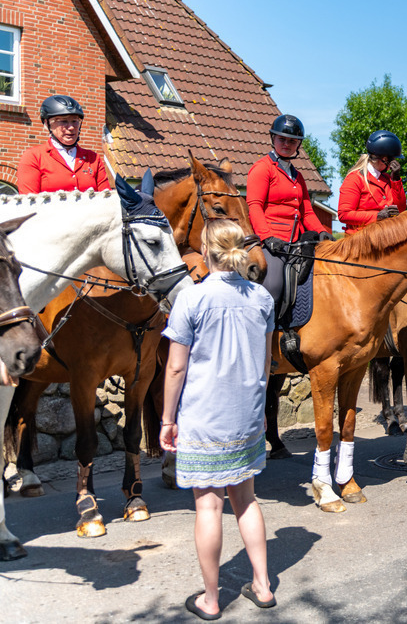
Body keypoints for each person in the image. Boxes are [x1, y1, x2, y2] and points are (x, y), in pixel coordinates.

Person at [160, 220, 277, 619]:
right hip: (245, 414)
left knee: (209, 507)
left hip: (205, 418)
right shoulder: (262, 298)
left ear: (206, 250)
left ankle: (211, 600)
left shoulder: (191, 299)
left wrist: (166, 419)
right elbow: (264, 364)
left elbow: (175, 369)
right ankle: (262, 585)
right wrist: (260, 410)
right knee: (246, 500)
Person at [246, 115, 331, 314]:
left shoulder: (297, 176)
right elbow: (255, 207)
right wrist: (267, 238)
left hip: (296, 241)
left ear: (298, 144)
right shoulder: (262, 169)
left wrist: (321, 231)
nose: (286, 144)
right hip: (271, 243)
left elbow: (306, 211)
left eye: (292, 141)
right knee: (273, 289)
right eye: (282, 139)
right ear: (273, 139)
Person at [16, 95, 110, 194]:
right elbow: (29, 203)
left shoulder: (93, 158)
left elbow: (106, 198)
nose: (71, 127)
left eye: (75, 121)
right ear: (47, 124)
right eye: (63, 121)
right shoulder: (33, 157)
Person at [336, 130, 407, 234]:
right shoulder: (355, 178)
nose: (396, 162)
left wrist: (396, 179)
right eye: (394, 159)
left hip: (387, 235)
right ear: (384, 159)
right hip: (360, 239)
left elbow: (400, 208)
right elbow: (344, 214)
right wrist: (377, 216)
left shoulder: (387, 179)